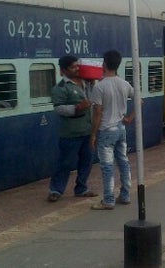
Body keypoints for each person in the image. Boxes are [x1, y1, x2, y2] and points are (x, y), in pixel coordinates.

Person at [48, 55, 98, 202]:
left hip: (87, 131)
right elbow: (58, 108)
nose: (77, 69)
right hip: (71, 132)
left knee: (87, 161)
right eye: (73, 67)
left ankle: (81, 188)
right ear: (63, 70)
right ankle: (56, 190)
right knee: (65, 162)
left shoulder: (86, 82)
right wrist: (76, 108)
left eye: (77, 66)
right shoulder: (61, 88)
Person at [90, 50, 135, 210]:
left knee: (107, 166)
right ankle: (125, 195)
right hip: (121, 129)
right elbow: (140, 101)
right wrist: (129, 118)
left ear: (104, 64)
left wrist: (93, 134)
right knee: (123, 162)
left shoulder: (100, 87)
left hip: (106, 131)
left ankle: (108, 200)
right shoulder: (124, 84)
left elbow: (98, 112)